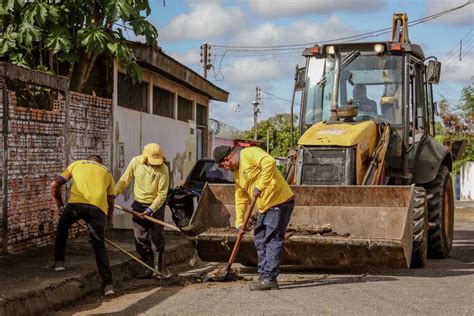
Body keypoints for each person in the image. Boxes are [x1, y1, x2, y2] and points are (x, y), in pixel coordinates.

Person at [213, 145, 295, 291]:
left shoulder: (249, 153)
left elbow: (269, 162)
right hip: (264, 206)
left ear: (228, 159)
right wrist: (239, 222)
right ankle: (264, 275)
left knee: (272, 238)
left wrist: (260, 186)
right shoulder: (237, 173)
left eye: (222, 165)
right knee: (260, 238)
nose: (223, 168)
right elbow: (240, 198)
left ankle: (270, 278)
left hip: (280, 201)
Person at [50, 154, 116, 296]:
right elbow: (110, 201)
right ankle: (108, 285)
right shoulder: (107, 172)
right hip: (98, 208)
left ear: (88, 160)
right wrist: (109, 221)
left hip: (76, 204)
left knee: (62, 229)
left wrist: (61, 206)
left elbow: (54, 185)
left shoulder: (77, 164)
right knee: (99, 245)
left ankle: (59, 262)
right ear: (100, 163)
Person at [115, 143, 169, 279]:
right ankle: (148, 267)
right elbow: (124, 181)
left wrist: (151, 209)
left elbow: (162, 194)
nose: (155, 164)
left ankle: (157, 269)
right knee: (140, 237)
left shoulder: (163, 168)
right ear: (145, 157)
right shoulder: (136, 162)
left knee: (157, 236)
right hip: (138, 205)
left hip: (156, 205)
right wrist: (112, 196)